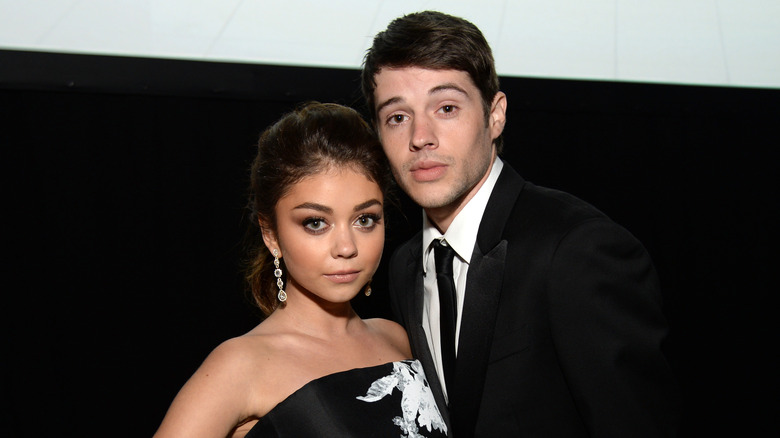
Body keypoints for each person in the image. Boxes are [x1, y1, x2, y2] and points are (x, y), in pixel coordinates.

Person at [361, 11, 680, 437]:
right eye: (397, 117)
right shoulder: (404, 265)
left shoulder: (577, 249)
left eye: (447, 107)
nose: (421, 136)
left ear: (495, 115)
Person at [153, 102, 448, 438]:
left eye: (365, 219)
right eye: (316, 223)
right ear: (271, 234)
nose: (346, 247)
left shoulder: (398, 339)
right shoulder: (239, 366)